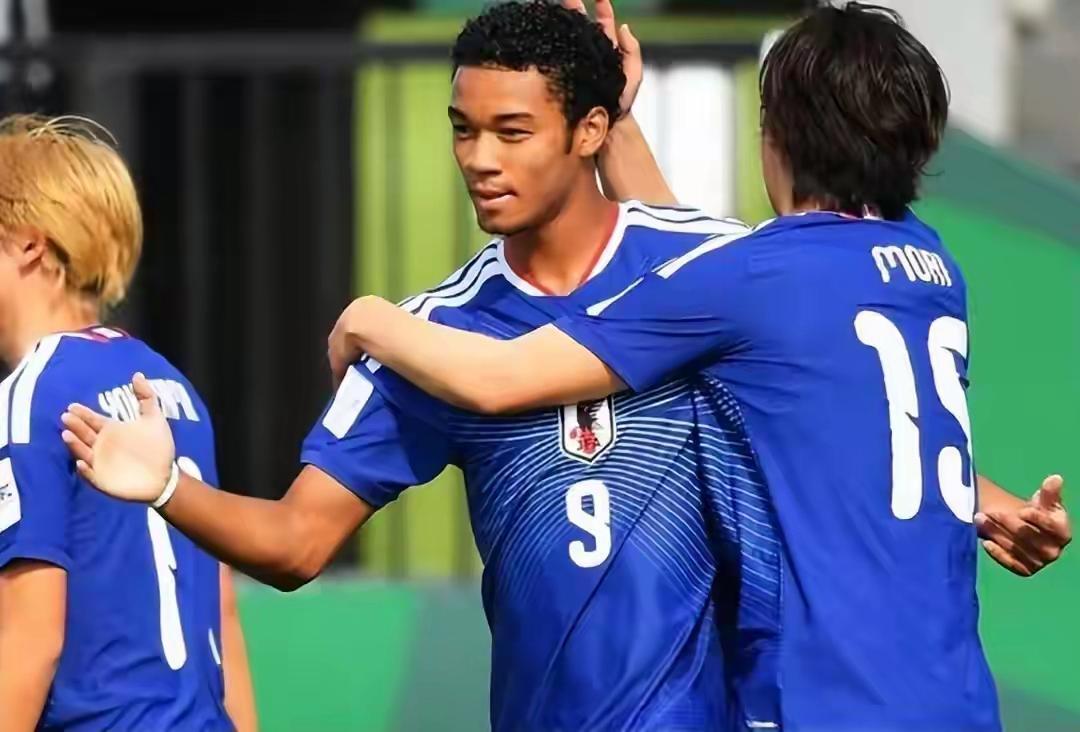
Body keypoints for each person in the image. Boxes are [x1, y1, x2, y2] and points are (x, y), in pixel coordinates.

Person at [59, 1, 1071, 730]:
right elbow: (293, 544)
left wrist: (366, 315)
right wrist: (171, 487)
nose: (480, 158)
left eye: (513, 131)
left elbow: (815, 396)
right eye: (463, 129)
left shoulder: (708, 280)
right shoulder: (449, 330)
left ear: (587, 129)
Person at [0, 114, 257, 732]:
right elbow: (222, 610)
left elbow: (29, 637)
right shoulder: (172, 389)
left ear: (30, 244)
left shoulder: (29, 398)